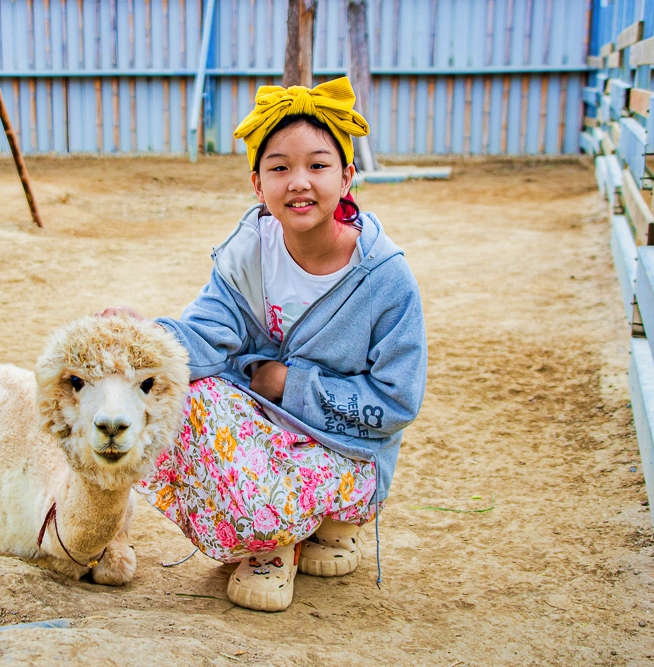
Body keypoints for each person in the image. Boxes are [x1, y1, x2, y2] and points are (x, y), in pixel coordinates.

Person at [100, 77, 427, 612]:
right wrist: (143, 337)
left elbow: (396, 402)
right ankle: (273, 541)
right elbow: (203, 337)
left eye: (318, 166)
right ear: (257, 184)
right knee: (184, 393)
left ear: (347, 177)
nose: (299, 182)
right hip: (261, 436)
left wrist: (290, 384)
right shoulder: (249, 251)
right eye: (279, 167)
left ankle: (322, 526)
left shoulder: (386, 280)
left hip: (344, 449)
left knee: (260, 443)